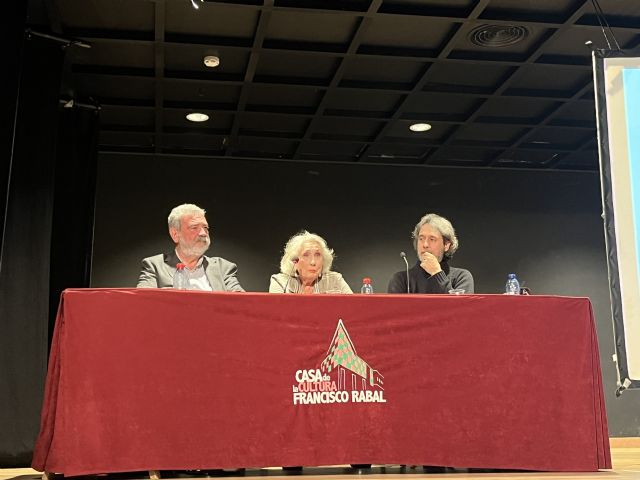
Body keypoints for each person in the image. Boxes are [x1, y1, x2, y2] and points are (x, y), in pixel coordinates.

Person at [137, 203, 244, 291]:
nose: (203, 233)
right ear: (175, 234)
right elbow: (143, 302)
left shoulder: (223, 268)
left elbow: (242, 303)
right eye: (194, 227)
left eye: (205, 227)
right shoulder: (155, 266)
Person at [388, 213, 473, 294]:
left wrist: (437, 273)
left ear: (446, 245)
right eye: (421, 239)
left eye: (432, 239)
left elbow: (460, 307)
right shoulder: (401, 279)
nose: (425, 245)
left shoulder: (461, 277)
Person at [269, 231, 352, 294]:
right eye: (306, 255)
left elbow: (354, 307)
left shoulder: (335, 279)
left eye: (318, 255)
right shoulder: (280, 281)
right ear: (295, 261)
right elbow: (275, 313)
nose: (313, 262)